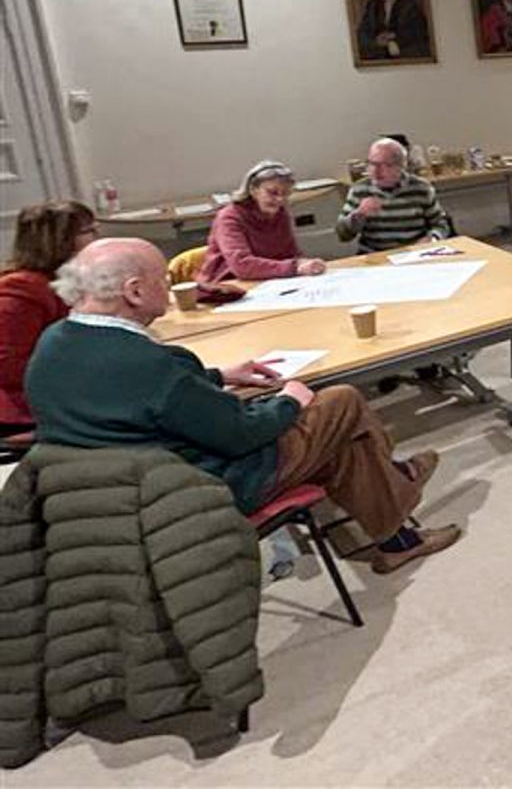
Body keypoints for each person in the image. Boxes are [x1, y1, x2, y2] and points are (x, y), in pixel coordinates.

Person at [26, 239, 462, 573]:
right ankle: (398, 484)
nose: (172, 289)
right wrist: (289, 401)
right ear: (135, 291)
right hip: (207, 486)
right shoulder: (151, 364)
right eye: (164, 280)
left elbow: (131, 395)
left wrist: (218, 376)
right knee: (340, 402)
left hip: (113, 494)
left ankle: (397, 530)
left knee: (341, 436)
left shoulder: (54, 342)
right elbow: (241, 434)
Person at [0, 201, 97, 435]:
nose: (97, 237)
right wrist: (78, 373)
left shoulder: (69, 277)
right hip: (25, 409)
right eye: (89, 231)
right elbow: (7, 366)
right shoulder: (21, 289)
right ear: (59, 240)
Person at [199, 161, 328, 282]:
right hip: (226, 285)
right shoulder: (229, 217)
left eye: (286, 193)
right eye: (272, 192)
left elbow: (291, 254)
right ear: (253, 190)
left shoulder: (280, 213)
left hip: (268, 281)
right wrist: (295, 267)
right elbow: (242, 266)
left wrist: (306, 263)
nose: (280, 199)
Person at [336, 138, 453, 254]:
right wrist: (359, 214)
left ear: (401, 166)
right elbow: (342, 235)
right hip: (374, 255)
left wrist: (433, 238)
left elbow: (440, 224)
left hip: (414, 253)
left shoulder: (421, 188)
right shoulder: (360, 189)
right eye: (372, 163)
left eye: (384, 165)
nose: (375, 171)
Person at [357, 0, 431, 61]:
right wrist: (376, 41)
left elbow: (419, 30)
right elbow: (363, 29)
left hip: (403, 48)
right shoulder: (372, 4)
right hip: (378, 51)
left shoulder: (409, 5)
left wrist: (394, 36)